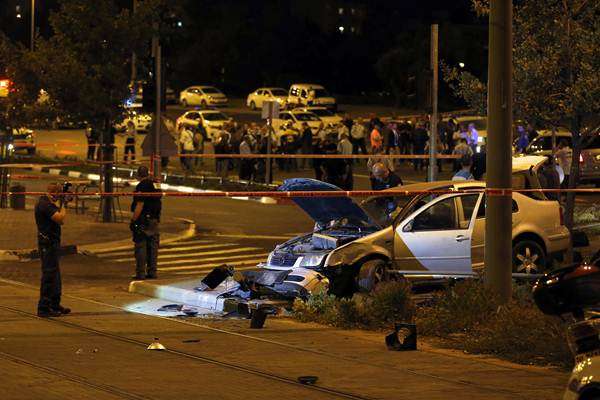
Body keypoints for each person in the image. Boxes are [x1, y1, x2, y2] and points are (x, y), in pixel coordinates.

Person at [35, 183, 71, 317]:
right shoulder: (45, 204)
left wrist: (62, 203)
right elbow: (60, 219)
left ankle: (54, 304)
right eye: (59, 193)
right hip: (48, 244)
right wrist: (65, 205)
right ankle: (43, 308)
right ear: (53, 192)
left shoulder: (49, 203)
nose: (60, 196)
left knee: (55, 275)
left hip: (52, 243)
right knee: (49, 275)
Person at [131, 166, 162, 280]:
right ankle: (152, 272)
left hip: (143, 220)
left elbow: (140, 205)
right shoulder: (156, 184)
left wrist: (133, 220)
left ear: (138, 175)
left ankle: (140, 273)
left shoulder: (141, 186)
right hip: (155, 219)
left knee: (141, 246)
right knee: (153, 247)